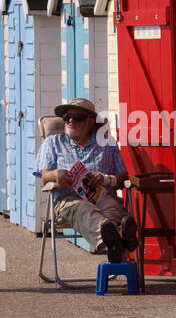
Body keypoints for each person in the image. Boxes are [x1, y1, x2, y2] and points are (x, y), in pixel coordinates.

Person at [33, 98, 138, 263]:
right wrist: (55, 175)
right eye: (67, 117)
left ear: (90, 122)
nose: (70, 120)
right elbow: (44, 176)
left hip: (102, 197)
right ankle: (120, 240)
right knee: (84, 210)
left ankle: (113, 243)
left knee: (112, 209)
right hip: (70, 199)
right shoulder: (53, 143)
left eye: (77, 117)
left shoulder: (106, 143)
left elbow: (122, 176)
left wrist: (105, 179)